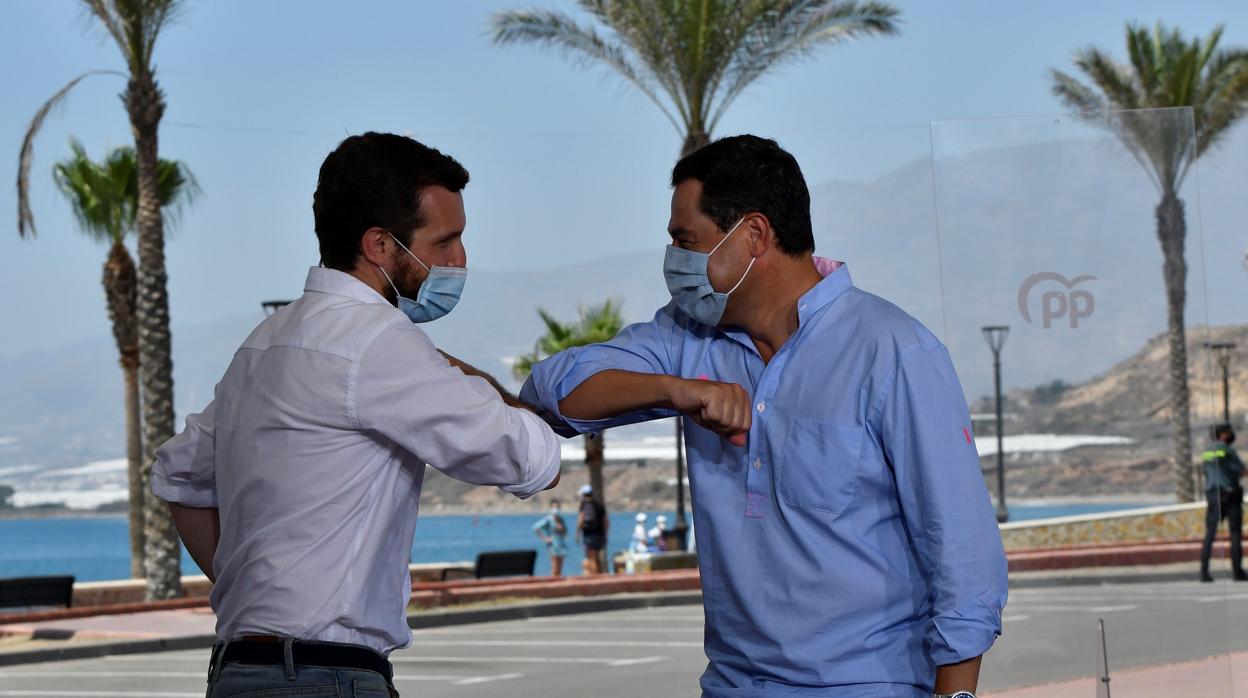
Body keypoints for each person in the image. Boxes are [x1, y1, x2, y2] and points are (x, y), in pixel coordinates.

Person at [522, 135, 1008, 697]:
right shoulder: (687, 337)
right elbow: (551, 392)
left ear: (753, 235)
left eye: (686, 241)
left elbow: (962, 552)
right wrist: (677, 390)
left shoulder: (893, 351)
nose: (676, 262)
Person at [151, 132, 561, 698]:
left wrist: (259, 595)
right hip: (325, 675)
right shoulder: (378, 341)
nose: (460, 260)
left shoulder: (265, 342)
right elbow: (533, 457)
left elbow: (179, 475)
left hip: (239, 670)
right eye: (445, 241)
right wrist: (463, 374)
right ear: (379, 245)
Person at [1200, 423, 1247, 583]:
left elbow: (1205, 472)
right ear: (1223, 434)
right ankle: (1237, 571)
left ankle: (1204, 572)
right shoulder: (1227, 450)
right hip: (1230, 495)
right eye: (1229, 432)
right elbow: (1242, 470)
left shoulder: (1206, 452)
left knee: (1210, 535)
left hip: (1213, 495)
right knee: (1235, 534)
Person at [576, 484, 608, 574]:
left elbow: (581, 520)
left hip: (589, 535)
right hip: (599, 535)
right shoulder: (599, 505)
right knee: (597, 558)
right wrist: (604, 535)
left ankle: (594, 578)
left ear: (584, 495)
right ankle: (600, 576)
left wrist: (578, 533)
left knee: (591, 558)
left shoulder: (584, 505)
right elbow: (606, 522)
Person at [533, 499, 569, 577]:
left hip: (562, 546)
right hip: (553, 546)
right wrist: (545, 539)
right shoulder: (548, 519)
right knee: (555, 568)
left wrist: (561, 529)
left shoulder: (561, 519)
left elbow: (565, 532)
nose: (556, 509)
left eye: (558, 507)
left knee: (560, 568)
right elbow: (535, 527)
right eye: (554, 507)